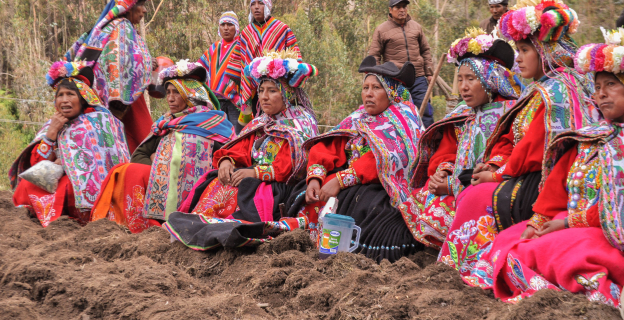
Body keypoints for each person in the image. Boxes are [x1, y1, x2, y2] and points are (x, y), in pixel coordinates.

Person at [451, 30, 624, 307]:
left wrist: (566, 222)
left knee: (543, 251)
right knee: (510, 242)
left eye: (611, 85)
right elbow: (557, 185)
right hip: (567, 216)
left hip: (600, 231)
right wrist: (539, 221)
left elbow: (614, 213)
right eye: (598, 86)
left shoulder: (557, 93)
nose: (600, 94)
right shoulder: (592, 136)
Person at [438, 0, 601, 276]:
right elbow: (511, 138)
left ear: (546, 51)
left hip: (545, 182)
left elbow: (534, 149)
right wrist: (493, 165)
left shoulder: (558, 93)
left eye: (525, 50)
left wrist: (498, 175)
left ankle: (464, 265)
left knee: (477, 196)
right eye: (518, 51)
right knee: (475, 188)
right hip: (523, 174)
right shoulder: (541, 88)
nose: (519, 58)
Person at [163, 51, 318, 249]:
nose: (263, 97)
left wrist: (254, 172)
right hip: (249, 179)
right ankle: (200, 227)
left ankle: (221, 230)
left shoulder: (301, 124)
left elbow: (295, 166)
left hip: (277, 189)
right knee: (216, 180)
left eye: (272, 91)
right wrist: (227, 161)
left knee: (242, 190)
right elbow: (239, 147)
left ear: (287, 93)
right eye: (261, 90)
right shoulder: (261, 122)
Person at [284, 56, 425, 263]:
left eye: (376, 88)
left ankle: (349, 252)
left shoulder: (403, 119)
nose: (368, 93)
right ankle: (308, 242)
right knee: (305, 194)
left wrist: (340, 180)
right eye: (365, 87)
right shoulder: (358, 118)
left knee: (361, 202)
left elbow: (383, 160)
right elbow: (329, 146)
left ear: (391, 92)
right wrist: (315, 177)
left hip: (383, 185)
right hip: (346, 179)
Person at [399, 28, 524, 249]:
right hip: (456, 182)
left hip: (488, 185)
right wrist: (443, 172)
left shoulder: (511, 113)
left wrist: (455, 184)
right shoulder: (461, 115)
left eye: (471, 79)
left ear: (490, 80)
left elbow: (507, 153)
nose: (463, 87)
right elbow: (447, 150)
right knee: (419, 200)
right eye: (460, 79)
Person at [91, 61, 236, 232]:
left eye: (176, 92)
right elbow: (139, 155)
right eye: (168, 92)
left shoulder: (215, 123)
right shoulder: (165, 124)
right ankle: (137, 225)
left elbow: (231, 152)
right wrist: (161, 167)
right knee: (125, 170)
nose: (170, 98)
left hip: (201, 188)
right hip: (162, 187)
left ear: (191, 94)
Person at [10, 62, 130, 227]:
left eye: (70, 94)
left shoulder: (102, 121)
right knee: (26, 185)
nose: (64, 100)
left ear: (83, 98)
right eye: (60, 95)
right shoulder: (54, 124)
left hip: (91, 187)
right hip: (62, 179)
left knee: (67, 187)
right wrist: (51, 134)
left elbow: (105, 161)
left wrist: (67, 162)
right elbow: (36, 166)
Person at [64, 0, 154, 153]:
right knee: (144, 146)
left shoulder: (109, 26)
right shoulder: (122, 26)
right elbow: (119, 61)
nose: (144, 11)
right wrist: (150, 63)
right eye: (141, 5)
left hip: (102, 100)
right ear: (129, 8)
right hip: (124, 102)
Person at [368, 0, 435, 128]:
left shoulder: (416, 27)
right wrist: (376, 79)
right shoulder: (381, 29)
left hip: (419, 78)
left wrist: (429, 73)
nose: (402, 10)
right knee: (400, 114)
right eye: (398, 7)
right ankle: (403, 145)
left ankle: (430, 143)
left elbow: (425, 50)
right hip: (395, 79)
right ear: (390, 10)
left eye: (404, 6)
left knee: (425, 110)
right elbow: (374, 55)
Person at [239, 0, 302, 126]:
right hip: (255, 90)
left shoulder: (282, 29)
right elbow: (241, 62)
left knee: (278, 123)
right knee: (258, 125)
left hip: (278, 90)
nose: (256, 7)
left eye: (260, 3)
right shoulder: (246, 33)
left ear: (268, 6)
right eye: (253, 4)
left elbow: (296, 58)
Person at [198, 11, 245, 134]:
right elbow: (200, 68)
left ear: (236, 27)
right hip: (215, 102)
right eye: (223, 24)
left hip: (234, 102)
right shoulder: (214, 48)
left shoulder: (242, 47)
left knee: (237, 134)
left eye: (230, 24)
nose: (226, 28)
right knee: (218, 134)